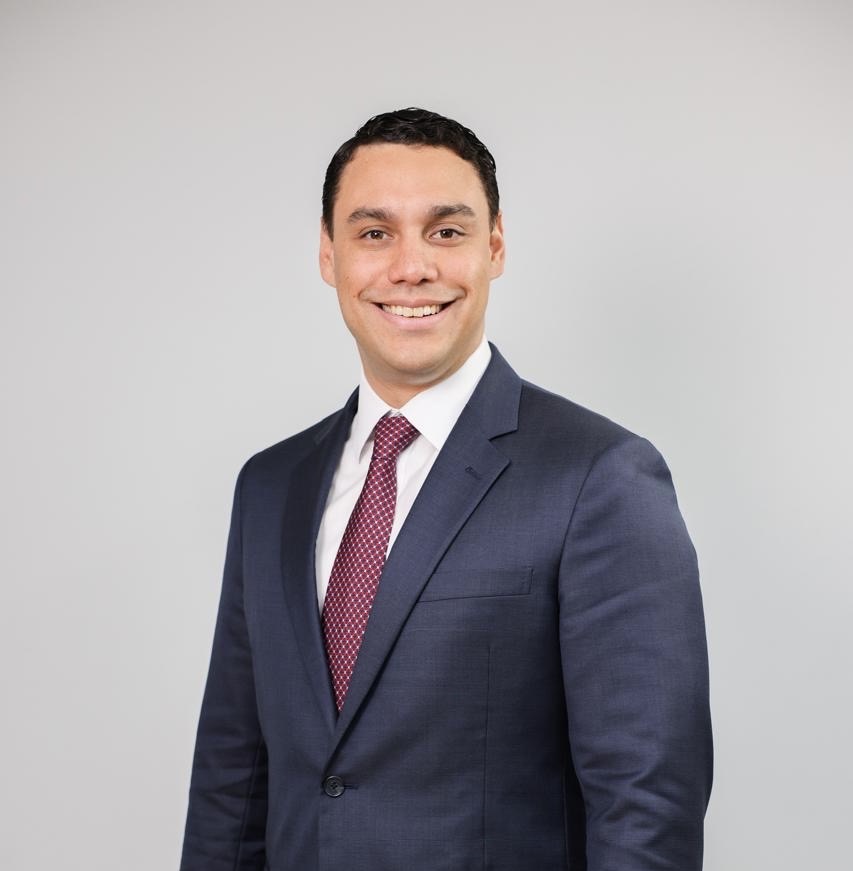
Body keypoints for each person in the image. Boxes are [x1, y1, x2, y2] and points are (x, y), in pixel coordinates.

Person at [180, 107, 712, 871]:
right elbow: (231, 787)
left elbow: (646, 804)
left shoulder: (599, 478)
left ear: (494, 247)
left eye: (446, 230)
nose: (410, 267)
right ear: (328, 254)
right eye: (374, 232)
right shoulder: (270, 487)